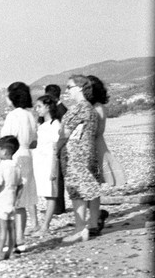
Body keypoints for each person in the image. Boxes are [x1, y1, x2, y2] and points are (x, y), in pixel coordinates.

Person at [56, 75, 101, 243]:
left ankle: (80, 229)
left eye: (69, 87)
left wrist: (56, 149)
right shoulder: (91, 109)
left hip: (75, 155)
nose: (66, 90)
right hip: (87, 153)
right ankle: (87, 225)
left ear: (80, 88)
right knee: (85, 190)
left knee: (76, 192)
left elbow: (65, 134)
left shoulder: (77, 109)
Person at [0, 82, 38, 247]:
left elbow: (7, 140)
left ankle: (11, 239)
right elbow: (34, 142)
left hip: (14, 157)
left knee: (10, 199)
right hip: (27, 155)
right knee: (22, 200)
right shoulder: (30, 115)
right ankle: (20, 237)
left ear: (13, 97)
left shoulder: (13, 116)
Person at [86, 75, 124, 236]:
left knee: (92, 186)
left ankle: (94, 219)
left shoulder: (98, 108)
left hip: (95, 147)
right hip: (93, 145)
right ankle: (95, 216)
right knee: (88, 186)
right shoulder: (93, 107)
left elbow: (97, 131)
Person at [31, 94, 64, 236]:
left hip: (48, 162)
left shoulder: (55, 125)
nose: (36, 109)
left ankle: (45, 226)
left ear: (48, 106)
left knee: (50, 194)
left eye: (39, 106)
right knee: (38, 192)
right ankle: (37, 224)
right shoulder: (42, 125)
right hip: (38, 162)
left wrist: (53, 169)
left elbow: (56, 148)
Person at [0, 136, 23, 260]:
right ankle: (12, 251)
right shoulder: (16, 166)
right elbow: (20, 185)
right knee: (11, 228)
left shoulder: (1, 167)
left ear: (4, 152)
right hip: (12, 200)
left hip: (2, 201)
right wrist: (17, 198)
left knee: (2, 229)